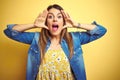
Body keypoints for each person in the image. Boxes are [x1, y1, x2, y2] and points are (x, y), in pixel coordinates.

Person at [4, 4, 107, 80]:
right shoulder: (36, 39)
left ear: (64, 21)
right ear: (46, 22)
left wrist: (76, 24)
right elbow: (10, 32)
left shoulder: (74, 39)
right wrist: (34, 24)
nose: (54, 20)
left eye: (59, 16)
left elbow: (101, 31)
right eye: (50, 16)